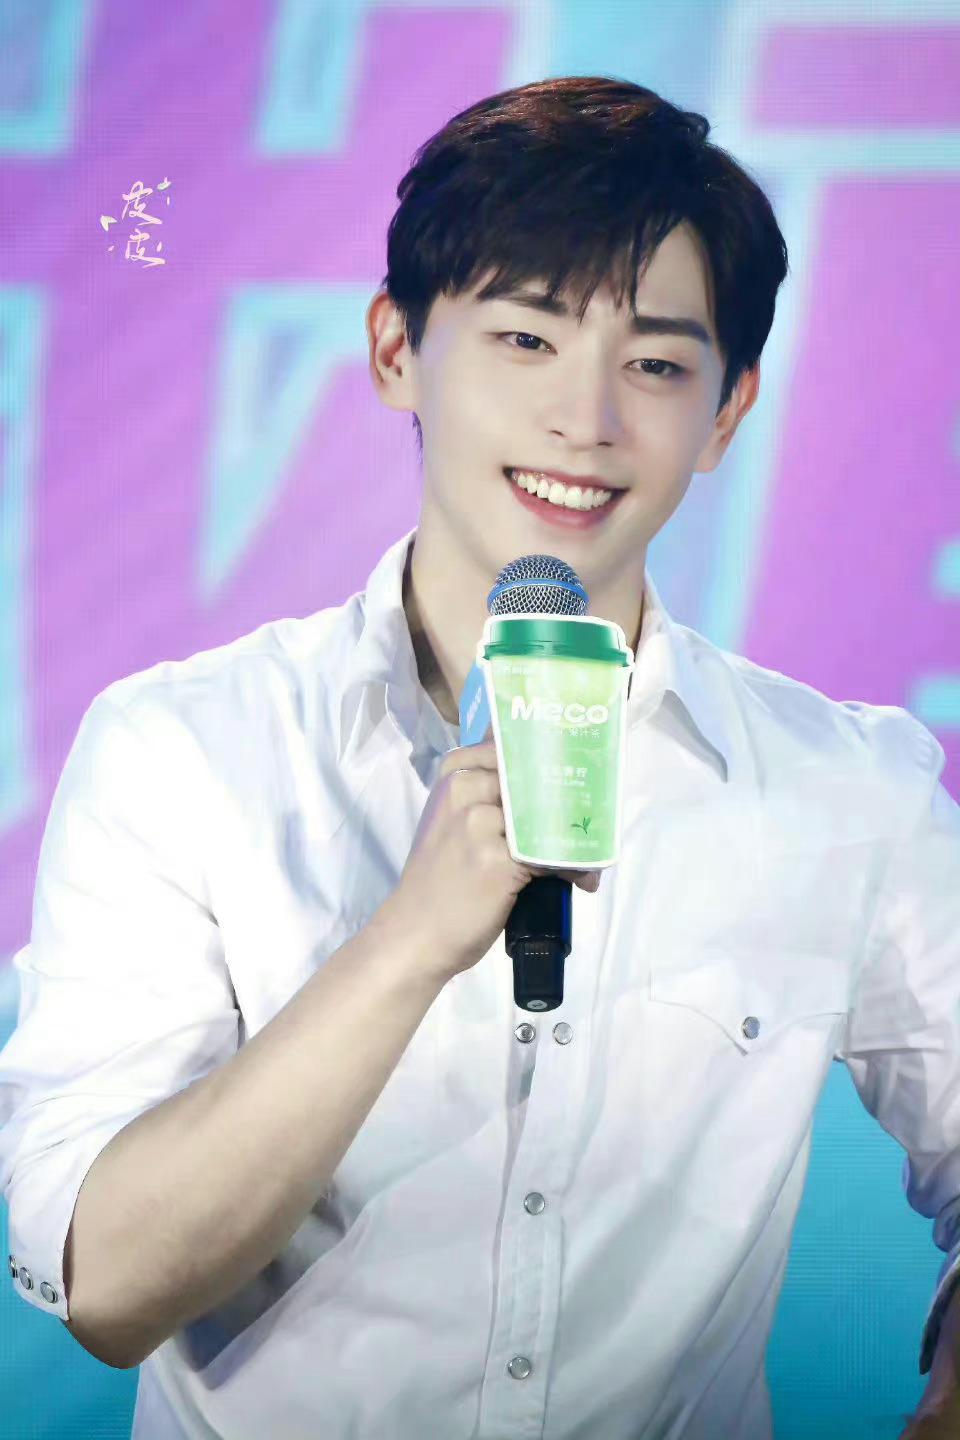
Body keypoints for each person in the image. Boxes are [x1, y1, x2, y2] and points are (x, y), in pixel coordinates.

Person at [0, 75, 957, 1440]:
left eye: (657, 366)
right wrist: (408, 942)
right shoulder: (182, 754)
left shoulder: (843, 791)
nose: (586, 417)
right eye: (525, 338)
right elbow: (104, 1287)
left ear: (728, 411)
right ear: (397, 348)